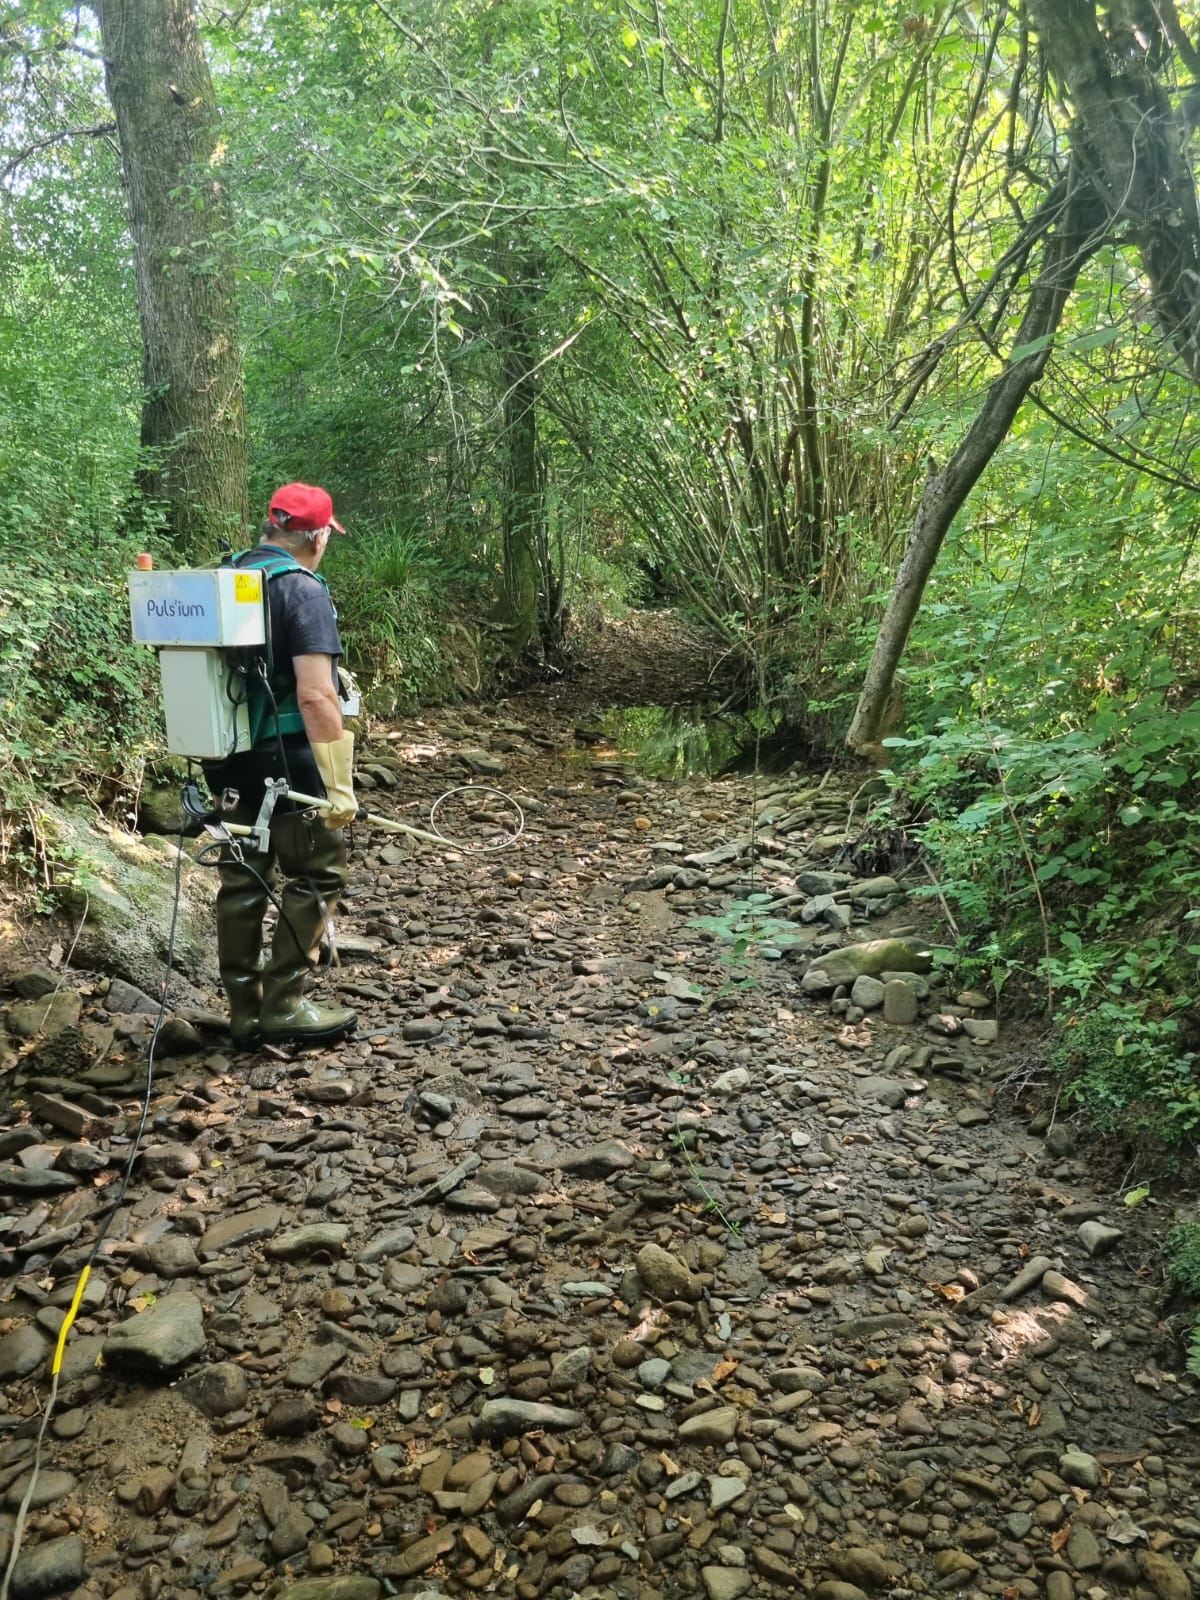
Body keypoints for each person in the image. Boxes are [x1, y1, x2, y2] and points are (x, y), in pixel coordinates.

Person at [203, 482, 358, 1050]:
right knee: (317, 872)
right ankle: (285, 1003)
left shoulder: (227, 578)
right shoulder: (302, 590)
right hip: (287, 758)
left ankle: (244, 1009)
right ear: (317, 537)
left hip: (224, 756)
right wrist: (339, 787)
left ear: (271, 530)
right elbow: (317, 697)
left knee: (243, 876)